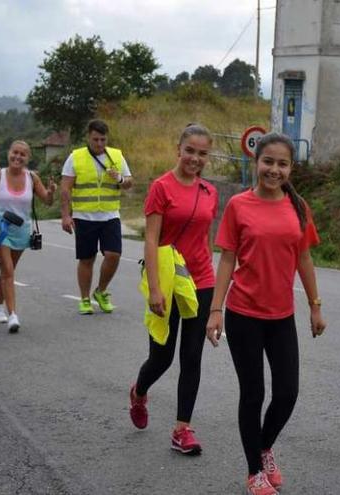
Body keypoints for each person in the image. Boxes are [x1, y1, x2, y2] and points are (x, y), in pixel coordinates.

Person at [206, 133, 326, 495]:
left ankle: (264, 446)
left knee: (288, 393)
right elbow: (227, 259)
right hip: (244, 314)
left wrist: (315, 306)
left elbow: (304, 257)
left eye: (282, 163)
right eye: (268, 162)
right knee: (253, 394)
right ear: (256, 163)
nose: (274, 169)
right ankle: (254, 471)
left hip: (281, 316)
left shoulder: (298, 208)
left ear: (291, 168)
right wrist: (216, 310)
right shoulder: (239, 206)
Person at [128, 124, 219, 455]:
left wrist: (215, 303)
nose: (195, 158)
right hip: (167, 281)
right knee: (162, 357)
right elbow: (151, 240)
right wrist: (154, 288)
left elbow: (206, 241)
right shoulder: (161, 187)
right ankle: (139, 392)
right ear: (178, 150)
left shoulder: (210, 192)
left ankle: (183, 428)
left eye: (202, 153)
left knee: (192, 356)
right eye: (190, 151)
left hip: (200, 281)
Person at [0, 140, 55, 333]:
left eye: (22, 154)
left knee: (6, 272)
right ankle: (13, 315)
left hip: (21, 232)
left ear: (28, 158)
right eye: (15, 153)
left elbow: (47, 201)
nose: (18, 157)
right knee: (9, 271)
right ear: (8, 153)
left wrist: (51, 192)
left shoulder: (32, 178)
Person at [60, 119, 133, 314]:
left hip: (110, 215)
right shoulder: (76, 157)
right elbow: (65, 189)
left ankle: (101, 291)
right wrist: (66, 216)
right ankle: (84, 299)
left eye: (103, 139)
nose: (99, 144)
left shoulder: (116, 156)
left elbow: (129, 182)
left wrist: (119, 179)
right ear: (88, 137)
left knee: (113, 255)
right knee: (87, 259)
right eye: (95, 139)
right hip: (85, 216)